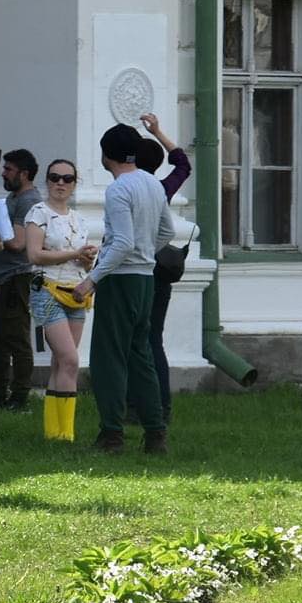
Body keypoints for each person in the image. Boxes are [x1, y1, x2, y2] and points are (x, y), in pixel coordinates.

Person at [76, 124, 176, 454]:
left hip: (120, 280)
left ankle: (112, 435)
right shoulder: (151, 183)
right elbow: (167, 231)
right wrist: (146, 252)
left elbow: (122, 243)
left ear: (106, 155)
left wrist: (92, 279)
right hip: (146, 279)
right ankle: (155, 433)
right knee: (141, 356)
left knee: (108, 359)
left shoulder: (118, 190)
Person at [22, 157, 97, 442]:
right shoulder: (38, 213)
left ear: (75, 184)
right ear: (47, 181)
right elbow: (34, 255)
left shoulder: (79, 220)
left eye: (67, 179)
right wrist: (75, 254)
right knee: (70, 359)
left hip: (75, 292)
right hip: (47, 289)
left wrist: (87, 259)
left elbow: (85, 265)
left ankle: (54, 433)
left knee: (60, 362)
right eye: (55, 178)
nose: (60, 183)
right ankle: (66, 434)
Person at [134, 110, 193, 426]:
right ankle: (162, 406)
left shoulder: (129, 188)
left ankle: (135, 404)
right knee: (154, 338)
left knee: (135, 339)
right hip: (161, 270)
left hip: (138, 269)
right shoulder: (162, 187)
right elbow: (183, 164)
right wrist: (158, 132)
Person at [0, 148, 40, 411]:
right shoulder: (14, 197)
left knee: (16, 338)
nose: (3, 173)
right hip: (0, 278)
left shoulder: (28, 201)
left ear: (24, 174)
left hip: (16, 278)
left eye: (9, 169)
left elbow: (18, 243)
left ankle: (19, 397)